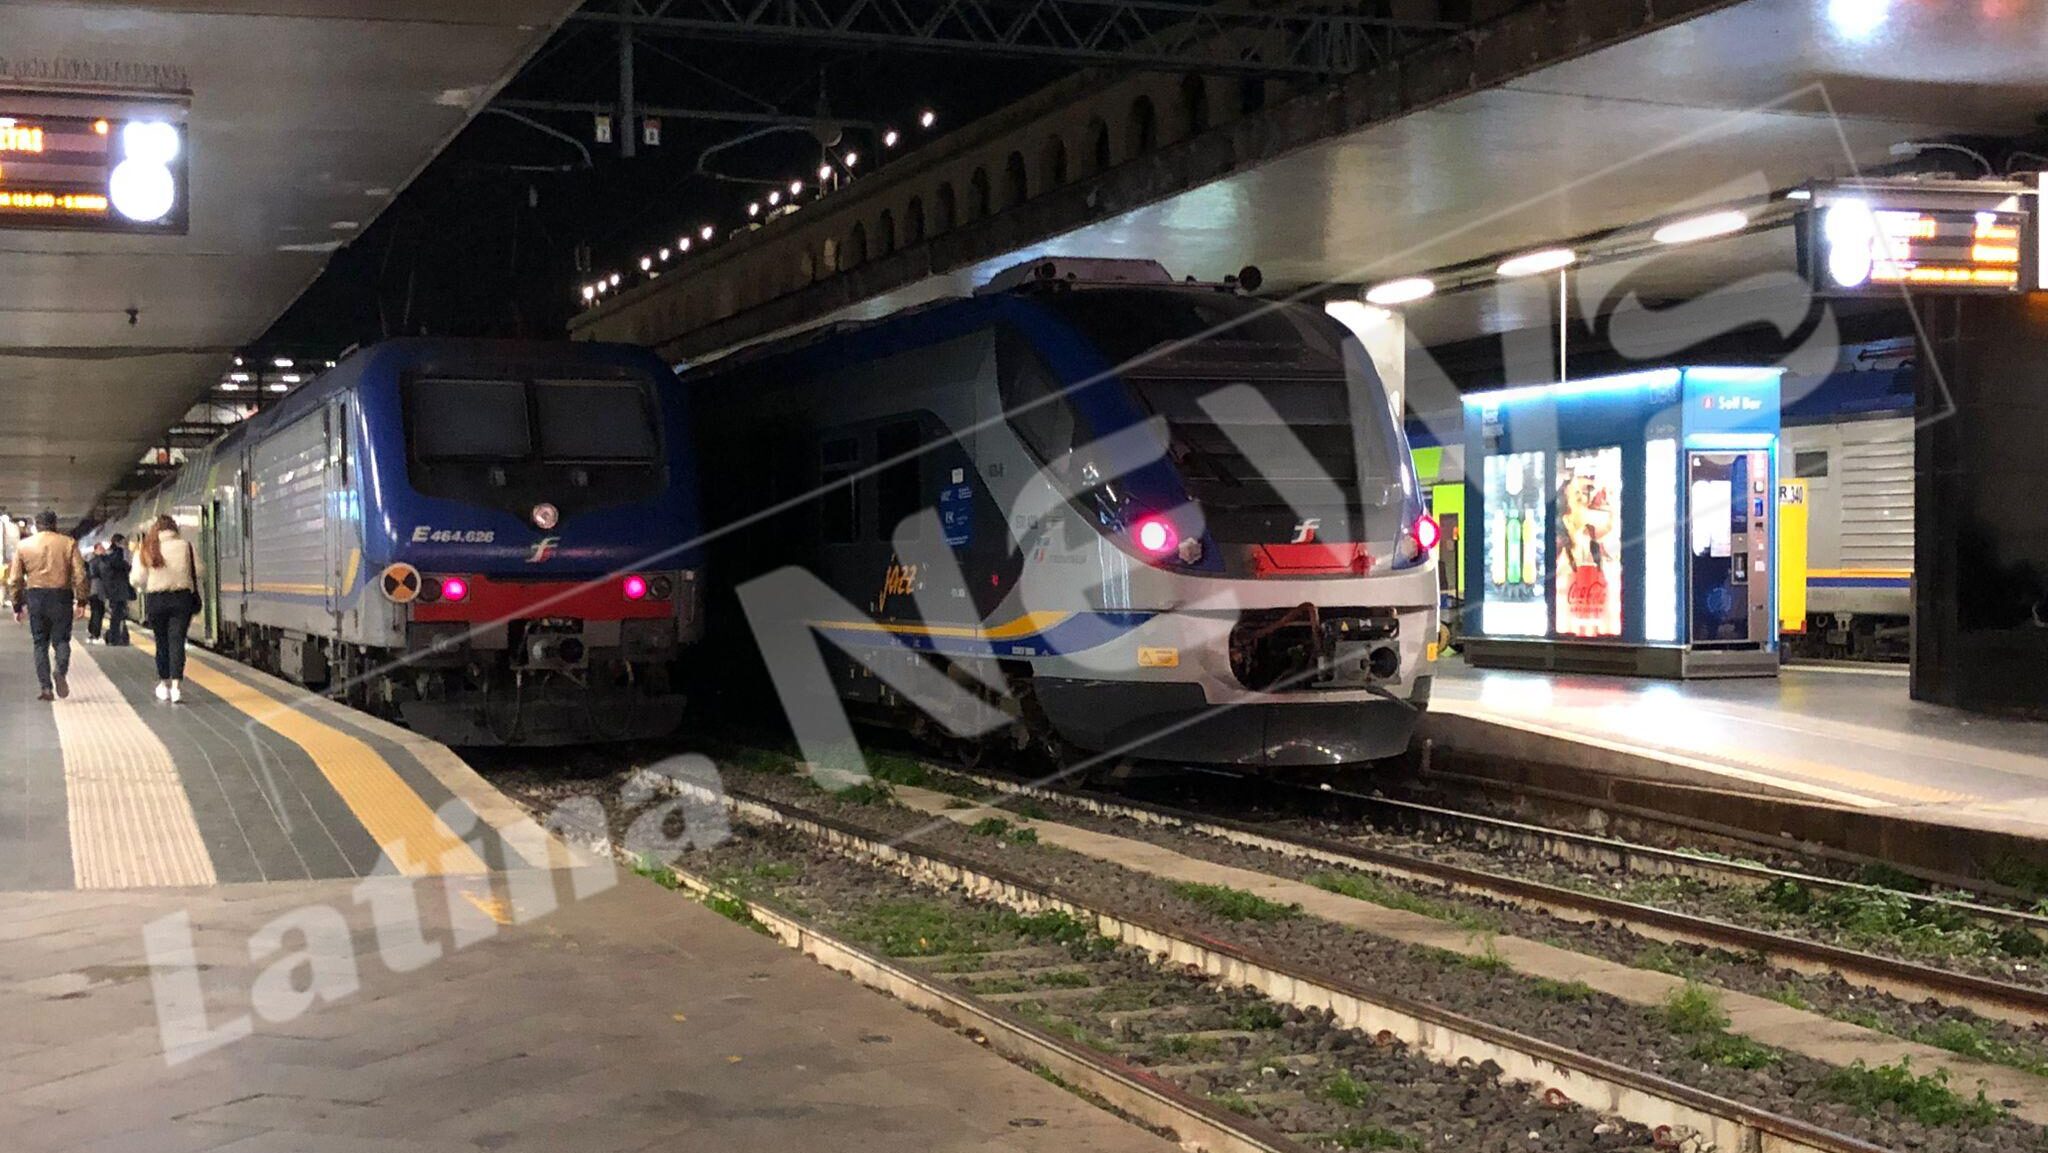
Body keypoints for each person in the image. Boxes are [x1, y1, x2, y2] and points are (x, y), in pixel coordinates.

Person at [6, 511, 89, 701]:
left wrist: (17, 605)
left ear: (37, 525)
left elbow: (15, 579)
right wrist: (82, 601)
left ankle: (46, 688)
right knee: (61, 641)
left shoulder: (24, 546)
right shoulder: (68, 543)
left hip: (36, 596)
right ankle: (60, 670)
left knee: (40, 643)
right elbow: (80, 575)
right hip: (61, 596)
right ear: (55, 524)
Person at [132, 514, 202, 703]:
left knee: (161, 643)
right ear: (174, 529)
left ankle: (164, 684)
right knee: (177, 642)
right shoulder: (186, 546)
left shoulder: (148, 547)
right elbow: (200, 570)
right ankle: (177, 687)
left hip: (157, 600)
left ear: (156, 529)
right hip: (181, 599)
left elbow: (137, 579)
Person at [100, 534, 133, 646]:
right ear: (118, 542)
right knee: (118, 615)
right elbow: (122, 567)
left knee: (116, 615)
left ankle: (114, 637)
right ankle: (116, 638)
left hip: (113, 591)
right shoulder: (118, 554)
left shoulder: (108, 556)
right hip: (119, 591)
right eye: (124, 542)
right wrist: (127, 566)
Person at [85, 541, 108, 644]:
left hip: (91, 590)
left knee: (95, 611)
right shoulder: (99, 561)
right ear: (95, 550)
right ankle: (96, 635)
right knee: (98, 611)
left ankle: (92, 632)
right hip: (98, 590)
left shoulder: (90, 561)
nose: (103, 550)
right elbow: (103, 573)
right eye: (101, 548)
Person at [0, 508, 19, 616]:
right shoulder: (13, 528)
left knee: (4, 582)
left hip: (5, 559)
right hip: (7, 560)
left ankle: (2, 600)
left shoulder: (12, 528)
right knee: (5, 582)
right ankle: (2, 600)